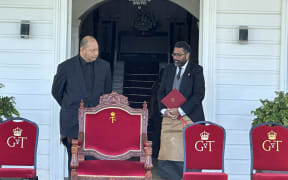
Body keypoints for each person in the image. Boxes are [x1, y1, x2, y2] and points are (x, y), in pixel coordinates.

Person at [51, 35, 112, 177]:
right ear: (82, 50)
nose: (96, 53)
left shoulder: (105, 67)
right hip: (71, 122)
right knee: (74, 162)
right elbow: (56, 92)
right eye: (92, 50)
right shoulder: (65, 67)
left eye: (97, 50)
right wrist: (70, 105)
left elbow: (107, 93)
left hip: (97, 123)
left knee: (94, 162)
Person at [157, 41, 205, 180]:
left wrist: (181, 110)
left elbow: (198, 95)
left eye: (179, 55)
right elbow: (160, 92)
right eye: (174, 54)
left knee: (189, 153)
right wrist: (164, 110)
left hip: (190, 117)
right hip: (169, 117)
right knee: (168, 152)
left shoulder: (196, 70)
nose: (175, 57)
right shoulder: (168, 69)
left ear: (187, 55)